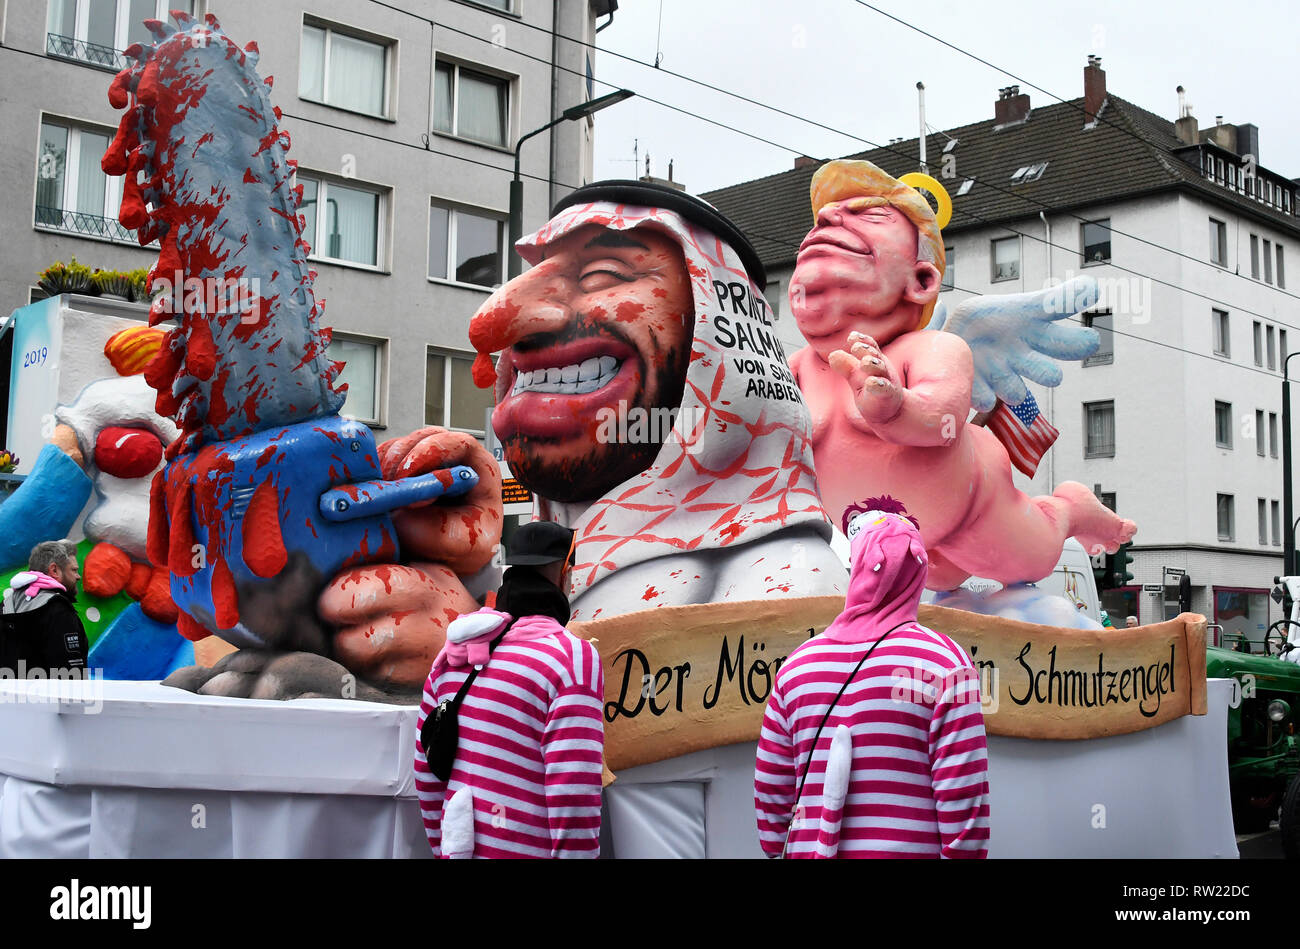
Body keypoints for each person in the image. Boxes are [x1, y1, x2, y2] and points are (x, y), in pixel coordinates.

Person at [789, 159, 1135, 590]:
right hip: (892, 542)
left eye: (869, 215)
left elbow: (942, 420)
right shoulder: (800, 366)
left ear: (922, 280)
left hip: (974, 508)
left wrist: (896, 405)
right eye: (822, 222)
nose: (829, 217)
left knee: (1035, 557)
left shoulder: (934, 347)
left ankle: (1070, 509)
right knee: (940, 581)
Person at [755, 505, 990, 858]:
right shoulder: (947, 665)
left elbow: (772, 800)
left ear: (858, 568)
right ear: (919, 574)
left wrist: (778, 849)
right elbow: (964, 805)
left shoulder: (796, 667)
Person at [413, 521, 604, 858]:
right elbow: (573, 792)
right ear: (565, 572)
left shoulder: (453, 652)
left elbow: (426, 772)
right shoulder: (571, 656)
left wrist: (444, 847)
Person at [1, 540, 89, 677]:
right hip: (49, 697)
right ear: (54, 570)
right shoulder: (59, 610)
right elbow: (70, 675)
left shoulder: (5, 605)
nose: (78, 576)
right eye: (74, 570)